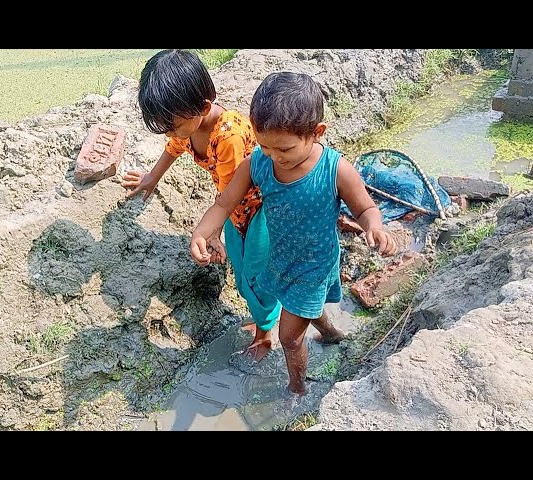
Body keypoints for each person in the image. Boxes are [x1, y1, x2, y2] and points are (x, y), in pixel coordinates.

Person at [190, 71, 398, 395]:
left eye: (284, 149)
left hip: (314, 265)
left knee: (288, 335)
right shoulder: (257, 163)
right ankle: (331, 333)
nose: (274, 157)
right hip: (280, 257)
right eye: (265, 146)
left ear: (316, 133)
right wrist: (204, 233)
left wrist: (375, 227)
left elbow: (365, 208)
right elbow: (224, 203)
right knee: (301, 311)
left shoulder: (335, 169)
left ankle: (297, 389)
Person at [121, 49, 281, 360]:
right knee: (243, 268)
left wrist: (214, 233)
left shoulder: (228, 137)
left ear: (203, 107)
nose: (170, 132)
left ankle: (266, 332)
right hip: (235, 210)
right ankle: (264, 319)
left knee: (255, 273)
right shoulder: (189, 124)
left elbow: (230, 195)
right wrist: (152, 177)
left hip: (262, 209)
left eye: (173, 125)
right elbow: (175, 145)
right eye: (165, 126)